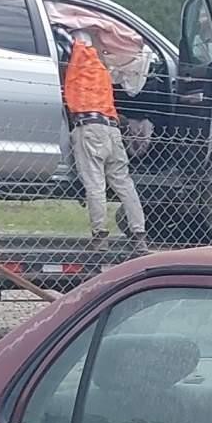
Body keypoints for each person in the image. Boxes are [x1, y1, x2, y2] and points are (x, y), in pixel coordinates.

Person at [56, 24, 148, 257]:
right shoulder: (101, 67)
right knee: (124, 184)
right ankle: (139, 237)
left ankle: (100, 237)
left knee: (95, 184)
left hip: (88, 128)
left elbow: (58, 36)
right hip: (112, 129)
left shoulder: (75, 57)